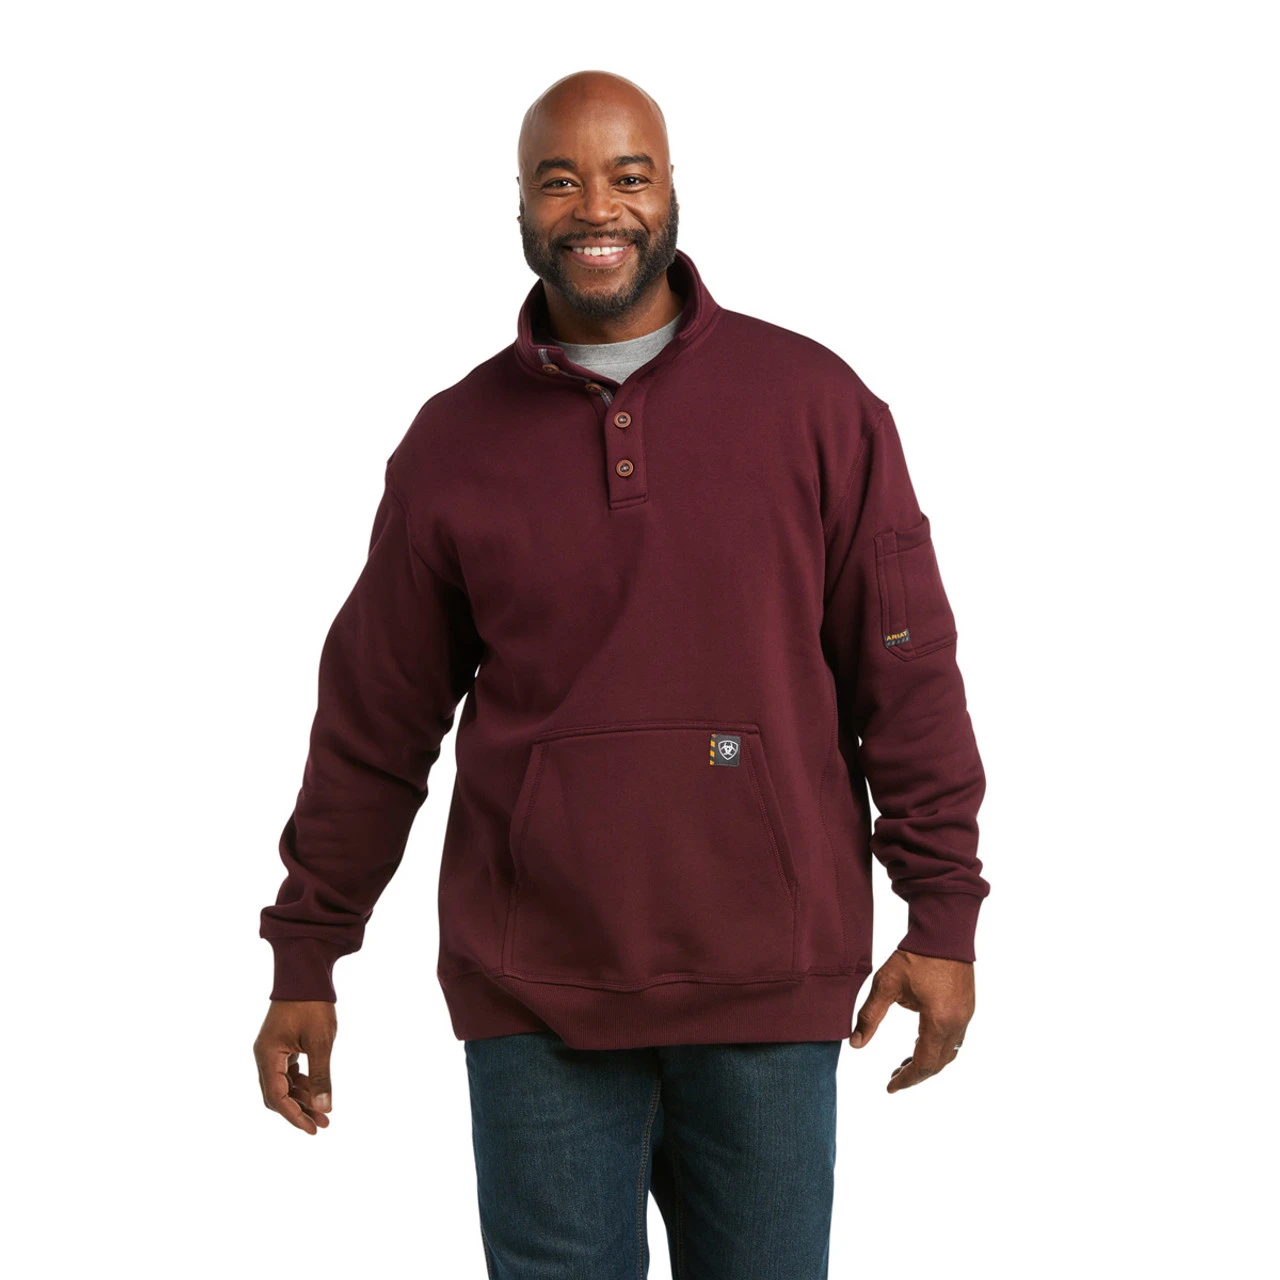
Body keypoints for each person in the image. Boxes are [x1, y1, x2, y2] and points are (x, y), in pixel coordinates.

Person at [253, 68, 990, 1279]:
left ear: (671, 190)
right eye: (560, 179)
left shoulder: (816, 404)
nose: (596, 207)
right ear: (519, 206)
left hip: (766, 978)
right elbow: (374, 719)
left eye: (626, 174)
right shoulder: (451, 443)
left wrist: (942, 910)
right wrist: (307, 949)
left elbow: (904, 670)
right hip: (533, 992)